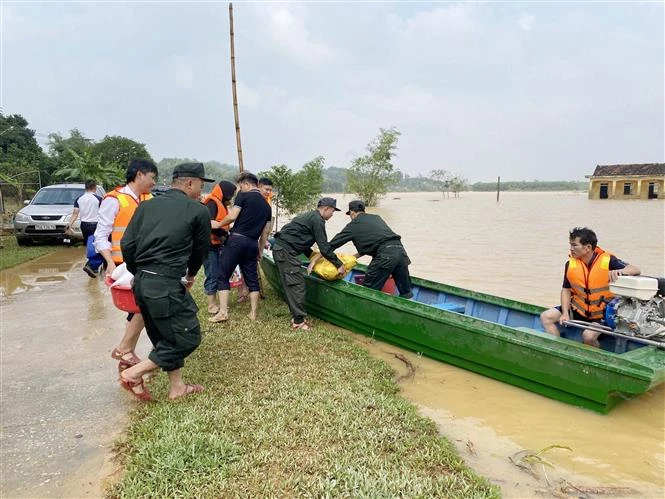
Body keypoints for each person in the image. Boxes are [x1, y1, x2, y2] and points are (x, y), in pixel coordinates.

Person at [118, 162, 212, 401]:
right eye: (201, 184)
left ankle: (177, 386)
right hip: (165, 282)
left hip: (142, 282)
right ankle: (134, 374)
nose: (201, 190)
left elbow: (127, 244)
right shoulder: (198, 211)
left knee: (163, 336)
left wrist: (139, 273)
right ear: (189, 183)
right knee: (188, 337)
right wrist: (190, 276)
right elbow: (199, 252)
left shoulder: (146, 206)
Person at [94, 159, 158, 372]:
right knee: (142, 306)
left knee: (140, 308)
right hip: (123, 265)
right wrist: (110, 262)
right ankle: (125, 349)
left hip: (145, 262)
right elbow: (100, 236)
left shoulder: (148, 199)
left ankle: (127, 352)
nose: (154, 183)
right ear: (140, 175)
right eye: (152, 177)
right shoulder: (114, 200)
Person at [540, 227, 641, 347]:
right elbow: (566, 289)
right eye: (570, 245)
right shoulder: (570, 264)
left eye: (574, 245)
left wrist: (621, 271)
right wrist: (565, 313)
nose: (571, 249)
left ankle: (597, 360)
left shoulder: (608, 261)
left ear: (587, 247)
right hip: (579, 309)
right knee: (546, 317)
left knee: (588, 336)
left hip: (601, 314)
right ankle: (558, 349)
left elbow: (635, 269)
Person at [271, 197, 346, 330]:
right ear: (326, 209)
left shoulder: (310, 216)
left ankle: (297, 317)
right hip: (285, 251)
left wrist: (312, 257)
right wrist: (339, 264)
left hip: (282, 249)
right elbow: (324, 247)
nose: (332, 215)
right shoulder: (318, 220)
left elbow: (301, 241)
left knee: (293, 283)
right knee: (296, 285)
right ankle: (298, 322)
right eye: (332, 211)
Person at [209, 172, 272, 323]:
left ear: (246, 184)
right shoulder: (267, 206)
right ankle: (253, 313)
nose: (239, 189)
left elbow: (232, 216)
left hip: (236, 241)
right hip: (252, 244)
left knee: (222, 275)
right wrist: (260, 250)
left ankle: (223, 313)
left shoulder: (243, 196)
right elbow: (265, 233)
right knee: (252, 279)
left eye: (240, 186)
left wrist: (217, 224)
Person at [328, 200, 413, 299]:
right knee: (406, 292)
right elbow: (376, 243)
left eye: (350, 215)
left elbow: (331, 245)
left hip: (385, 257)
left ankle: (365, 311)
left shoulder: (354, 225)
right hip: (401, 253)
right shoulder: (376, 218)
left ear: (352, 212)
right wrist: (351, 257)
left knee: (368, 291)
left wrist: (321, 255)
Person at [236, 176, 274, 304]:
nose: (268, 192)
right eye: (266, 189)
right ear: (259, 187)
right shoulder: (245, 197)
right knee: (239, 267)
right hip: (241, 238)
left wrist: (262, 245)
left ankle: (248, 290)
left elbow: (266, 229)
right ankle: (241, 292)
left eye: (270, 190)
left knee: (249, 268)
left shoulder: (266, 205)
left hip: (254, 240)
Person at [201, 180, 237, 314]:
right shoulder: (212, 203)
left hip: (217, 244)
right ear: (225, 192)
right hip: (209, 245)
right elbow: (209, 224)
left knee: (217, 273)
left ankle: (215, 302)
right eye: (231, 194)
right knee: (212, 274)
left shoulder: (221, 203)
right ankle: (211, 305)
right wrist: (223, 234)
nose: (231, 197)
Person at [66, 179, 103, 278]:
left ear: (85, 187)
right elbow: (104, 213)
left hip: (84, 225)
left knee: (89, 245)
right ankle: (92, 265)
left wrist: (69, 224)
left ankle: (93, 266)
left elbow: (75, 213)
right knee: (99, 246)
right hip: (96, 225)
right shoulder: (98, 199)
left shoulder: (79, 198)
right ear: (94, 187)